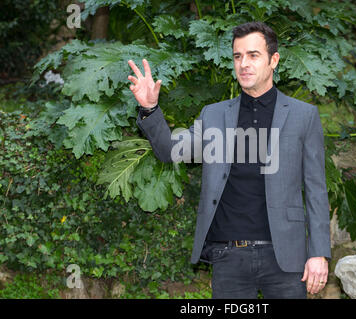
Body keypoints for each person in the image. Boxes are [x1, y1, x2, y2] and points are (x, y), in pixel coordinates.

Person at [128, 21, 331, 299]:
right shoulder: (214, 115)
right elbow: (170, 151)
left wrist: (318, 252)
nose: (243, 64)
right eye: (238, 56)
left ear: (274, 60)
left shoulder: (303, 115)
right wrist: (150, 109)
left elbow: (317, 190)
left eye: (253, 55)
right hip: (229, 256)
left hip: (287, 255)